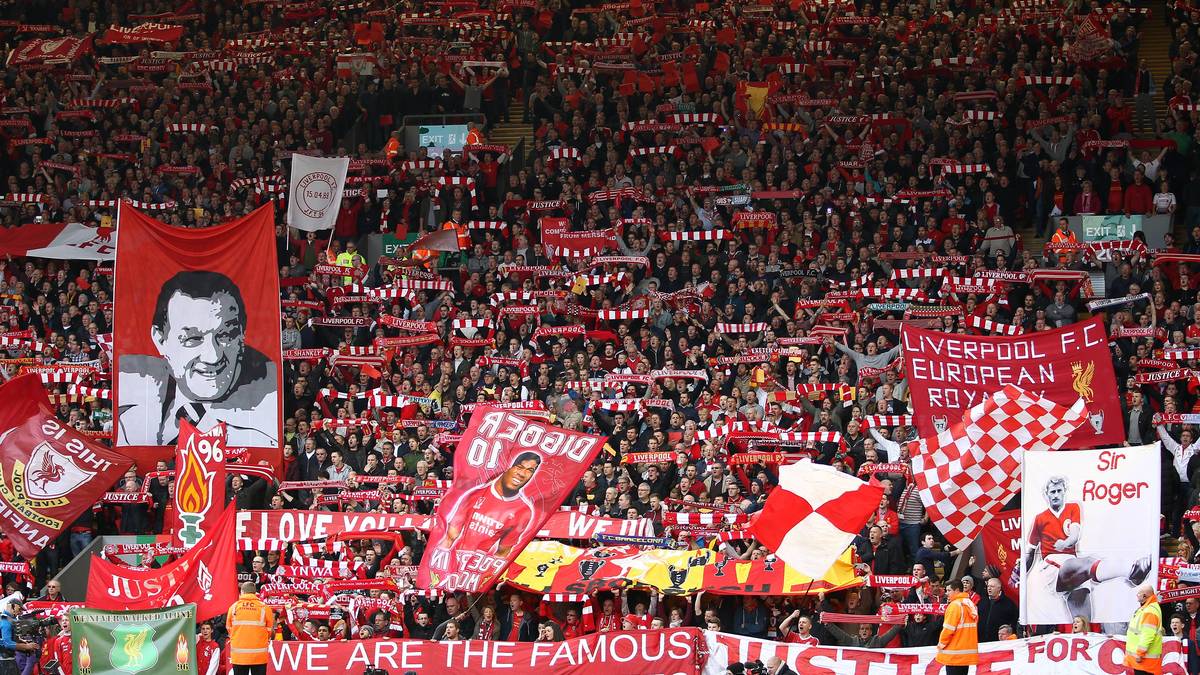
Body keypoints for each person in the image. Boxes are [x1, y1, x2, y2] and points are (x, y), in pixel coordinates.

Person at [117, 270, 278, 447]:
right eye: (193, 339)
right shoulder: (130, 388)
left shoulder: (270, 411)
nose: (213, 357)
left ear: (241, 334)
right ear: (160, 340)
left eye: (225, 335)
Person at [1019, 475, 1151, 623]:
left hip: (1072, 564)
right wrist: (1021, 574)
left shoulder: (1073, 508)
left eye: (1059, 491)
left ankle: (1133, 572)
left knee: (1083, 622)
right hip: (1052, 564)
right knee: (1087, 562)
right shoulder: (1040, 518)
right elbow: (1030, 552)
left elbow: (1075, 534)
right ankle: (1132, 569)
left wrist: (1066, 542)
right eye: (1052, 492)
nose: (1056, 495)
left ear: (1064, 492)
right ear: (1046, 494)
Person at [427, 452, 540, 585]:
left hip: (477, 573)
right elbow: (449, 537)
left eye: (529, 470)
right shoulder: (475, 495)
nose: (522, 474)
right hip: (452, 566)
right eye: (519, 467)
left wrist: (483, 581)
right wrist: (436, 573)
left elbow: (502, 554)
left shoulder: (524, 511)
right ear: (509, 467)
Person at [226, 582, 274, 675]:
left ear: (242, 592)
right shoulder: (264, 608)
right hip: (259, 656)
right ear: (255, 593)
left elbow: (229, 628)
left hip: (239, 656)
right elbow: (269, 630)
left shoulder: (233, 607)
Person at [936, 578, 978, 675]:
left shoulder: (954, 605)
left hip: (954, 654)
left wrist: (940, 645)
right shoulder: (970, 604)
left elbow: (948, 630)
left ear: (957, 590)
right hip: (965, 654)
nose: (946, 593)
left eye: (949, 590)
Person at [1124, 583, 1163, 675]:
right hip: (1144, 660)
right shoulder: (1148, 608)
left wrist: (1140, 653)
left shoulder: (1149, 611)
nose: (1137, 595)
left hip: (1145, 660)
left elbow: (1148, 635)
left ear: (1144, 596)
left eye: (1139, 593)